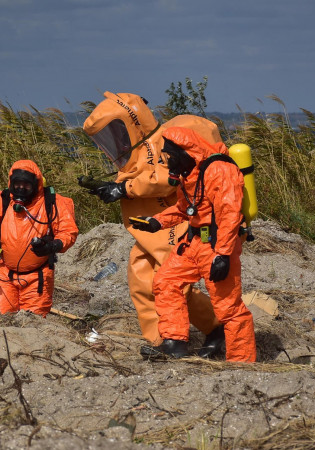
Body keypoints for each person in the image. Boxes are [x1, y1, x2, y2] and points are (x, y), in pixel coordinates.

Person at [83, 92, 225, 357]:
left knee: (172, 284)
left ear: (133, 121)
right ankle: (162, 340)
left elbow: (165, 179)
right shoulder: (138, 155)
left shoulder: (165, 142)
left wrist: (123, 188)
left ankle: (190, 337)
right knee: (142, 282)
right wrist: (114, 189)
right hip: (149, 231)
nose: (114, 142)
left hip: (173, 227)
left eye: (115, 131)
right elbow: (139, 181)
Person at [130, 126, 256, 362]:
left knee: (228, 307)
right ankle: (174, 342)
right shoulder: (189, 174)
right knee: (167, 281)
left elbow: (229, 214)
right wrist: (157, 222)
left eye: (168, 155)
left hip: (217, 244)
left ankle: (242, 362)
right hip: (195, 241)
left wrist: (223, 255)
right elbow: (184, 209)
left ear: (182, 151)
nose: (165, 160)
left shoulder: (219, 170)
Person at [0, 160, 78, 316]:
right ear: (11, 183)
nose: (21, 188)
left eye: (26, 185)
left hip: (38, 277)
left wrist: (52, 246)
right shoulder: (3, 199)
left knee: (32, 326)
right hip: (5, 274)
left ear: (36, 185)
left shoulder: (51, 202)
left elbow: (68, 231)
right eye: (17, 184)